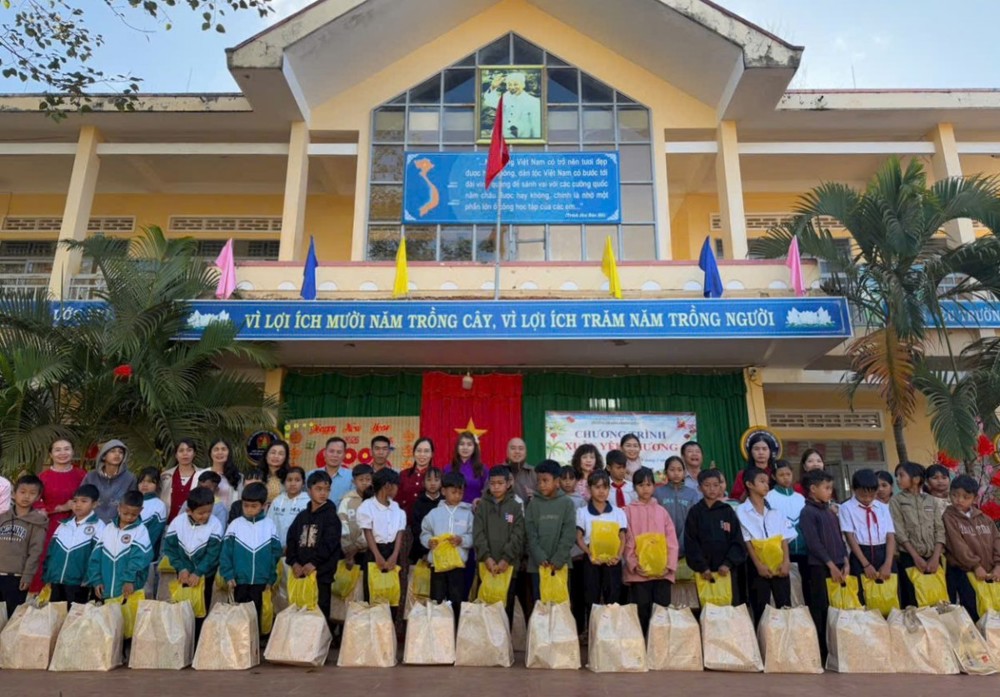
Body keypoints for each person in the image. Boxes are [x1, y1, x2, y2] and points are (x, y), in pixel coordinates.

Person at [220, 482, 283, 636]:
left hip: (261, 582)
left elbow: (275, 555)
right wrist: (228, 575)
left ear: (264, 506)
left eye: (253, 506)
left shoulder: (269, 526)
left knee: (257, 616)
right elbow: (225, 553)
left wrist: (270, 578)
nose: (249, 509)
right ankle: (238, 645)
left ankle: (253, 648)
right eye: (246, 505)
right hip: (239, 581)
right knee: (238, 616)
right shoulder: (235, 525)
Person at [800, 469, 849, 660]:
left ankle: (838, 650)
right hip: (819, 568)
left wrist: (845, 561)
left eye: (831, 488)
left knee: (838, 609)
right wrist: (830, 565)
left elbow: (839, 538)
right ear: (813, 489)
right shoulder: (807, 512)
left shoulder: (830, 512)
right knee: (821, 610)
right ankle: (822, 653)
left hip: (839, 566)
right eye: (826, 488)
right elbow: (813, 543)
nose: (830, 492)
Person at [737, 468, 796, 624]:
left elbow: (784, 537)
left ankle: (785, 643)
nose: (766, 485)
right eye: (761, 481)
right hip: (757, 565)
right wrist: (759, 566)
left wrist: (786, 562)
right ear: (749, 484)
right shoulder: (741, 510)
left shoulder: (775, 510)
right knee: (760, 608)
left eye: (767, 482)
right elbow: (747, 540)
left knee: (784, 606)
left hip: (779, 562)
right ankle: (764, 645)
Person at [624, 467, 678, 636]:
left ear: (654, 486)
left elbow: (672, 541)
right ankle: (642, 647)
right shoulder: (627, 511)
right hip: (639, 574)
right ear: (634, 487)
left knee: (661, 611)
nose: (645, 488)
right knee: (642, 610)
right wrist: (633, 564)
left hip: (662, 573)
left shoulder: (662, 512)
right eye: (640, 485)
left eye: (648, 484)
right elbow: (627, 540)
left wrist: (669, 566)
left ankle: (660, 648)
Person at [286, 470, 343, 622]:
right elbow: (291, 539)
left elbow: (330, 544)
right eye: (319, 489)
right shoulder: (302, 516)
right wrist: (294, 562)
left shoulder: (331, 517)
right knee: (300, 612)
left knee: (319, 613)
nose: (323, 493)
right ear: (309, 490)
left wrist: (314, 563)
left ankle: (320, 645)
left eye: (326, 489)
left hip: (321, 574)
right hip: (301, 573)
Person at [683, 469, 746, 604]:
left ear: (721, 487)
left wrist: (728, 563)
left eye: (715, 485)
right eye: (707, 485)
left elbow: (737, 540)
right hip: (704, 573)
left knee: (730, 608)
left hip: (727, 572)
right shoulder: (695, 512)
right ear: (700, 488)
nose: (712, 489)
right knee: (708, 611)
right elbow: (691, 543)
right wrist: (702, 567)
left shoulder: (727, 511)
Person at [943, 474, 1000, 622]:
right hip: (965, 573)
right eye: (954, 495)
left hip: (990, 573)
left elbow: (997, 540)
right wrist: (975, 566)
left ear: (975, 499)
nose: (959, 500)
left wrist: (998, 565)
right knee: (972, 611)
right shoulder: (949, 517)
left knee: (992, 611)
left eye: (965, 496)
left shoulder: (985, 519)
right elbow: (957, 545)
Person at [889, 462, 946, 609]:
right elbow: (899, 531)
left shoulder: (930, 500)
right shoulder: (896, 501)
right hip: (910, 558)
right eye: (897, 476)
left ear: (915, 479)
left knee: (937, 599)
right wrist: (915, 557)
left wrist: (935, 557)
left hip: (933, 558)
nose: (897, 479)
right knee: (914, 600)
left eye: (901, 475)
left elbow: (939, 529)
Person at [474, 465, 526, 625]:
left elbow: (518, 535)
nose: (496, 487)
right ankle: (487, 645)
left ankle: (505, 646)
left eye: (500, 483)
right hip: (486, 565)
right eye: (492, 483)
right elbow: (478, 534)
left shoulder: (516, 507)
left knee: (506, 607)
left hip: (508, 567)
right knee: (485, 605)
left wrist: (506, 559)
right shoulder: (482, 505)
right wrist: (487, 558)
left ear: (508, 484)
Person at [33, 438, 87, 591]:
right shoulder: (43, 477)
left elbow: (91, 497)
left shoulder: (82, 475)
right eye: (57, 450)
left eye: (66, 449)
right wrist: (60, 507)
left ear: (72, 452)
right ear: (50, 454)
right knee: (48, 560)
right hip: (50, 526)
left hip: (78, 526)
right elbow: (35, 502)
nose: (62, 453)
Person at [525, 460, 578, 611]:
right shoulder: (533, 504)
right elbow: (530, 533)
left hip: (560, 565)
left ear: (557, 481)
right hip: (538, 566)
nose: (541, 485)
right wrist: (540, 557)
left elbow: (569, 534)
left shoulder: (567, 503)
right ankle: (540, 635)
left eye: (545, 481)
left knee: (560, 607)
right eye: (539, 481)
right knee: (540, 606)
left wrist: (558, 558)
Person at [162, 487, 224, 616]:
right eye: (201, 513)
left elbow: (213, 554)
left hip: (205, 575)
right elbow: (170, 549)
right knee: (182, 608)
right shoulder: (177, 523)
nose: (206, 516)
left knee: (201, 608)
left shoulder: (215, 524)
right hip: (183, 574)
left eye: (209, 512)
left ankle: (199, 633)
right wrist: (182, 568)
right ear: (189, 511)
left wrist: (198, 572)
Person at [421, 471, 473, 623]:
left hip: (458, 566)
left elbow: (473, 536)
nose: (457, 496)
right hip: (437, 565)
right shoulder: (434, 513)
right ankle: (437, 631)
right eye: (453, 492)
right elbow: (424, 532)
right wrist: (428, 541)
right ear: (444, 491)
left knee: (456, 599)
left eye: (460, 492)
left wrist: (462, 540)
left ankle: (454, 630)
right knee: (437, 599)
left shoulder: (468, 513)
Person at [576, 470, 627, 622]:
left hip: (613, 560)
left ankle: (611, 633)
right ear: (589, 489)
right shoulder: (582, 512)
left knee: (613, 599)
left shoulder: (618, 512)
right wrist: (590, 554)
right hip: (592, 560)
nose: (601, 491)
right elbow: (579, 538)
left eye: (605, 487)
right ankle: (594, 634)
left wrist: (618, 556)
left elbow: (622, 538)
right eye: (597, 487)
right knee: (591, 599)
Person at [840, 468, 896, 603]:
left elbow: (890, 535)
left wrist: (888, 563)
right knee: (863, 596)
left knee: (889, 594)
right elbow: (850, 537)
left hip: (883, 552)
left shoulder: (882, 507)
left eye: (871, 495)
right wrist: (865, 564)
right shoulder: (846, 508)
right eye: (863, 495)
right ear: (854, 489)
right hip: (860, 553)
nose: (867, 499)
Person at [43, 484, 104, 605]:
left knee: (74, 620)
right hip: (57, 581)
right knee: (55, 617)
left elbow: (99, 557)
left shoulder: (99, 526)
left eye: (84, 501)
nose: (78, 504)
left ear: (95, 504)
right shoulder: (63, 525)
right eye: (75, 501)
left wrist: (93, 580)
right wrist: (48, 575)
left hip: (80, 584)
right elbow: (51, 552)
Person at [87, 490, 152, 600]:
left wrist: (129, 580)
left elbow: (139, 559)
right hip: (105, 590)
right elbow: (96, 557)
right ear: (119, 507)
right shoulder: (108, 528)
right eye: (125, 513)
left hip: (128, 590)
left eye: (134, 514)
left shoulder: (141, 531)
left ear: (141, 510)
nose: (129, 517)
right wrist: (96, 580)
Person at [357, 468, 406, 614]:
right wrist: (377, 555)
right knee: (374, 594)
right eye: (396, 486)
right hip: (374, 552)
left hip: (392, 552)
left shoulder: (397, 508)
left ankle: (389, 632)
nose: (397, 490)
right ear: (387, 486)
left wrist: (395, 555)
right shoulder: (367, 506)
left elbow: (399, 533)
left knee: (392, 594)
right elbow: (368, 532)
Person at [0, 475, 46, 615]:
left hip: (17, 577)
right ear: (14, 493)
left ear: (38, 497)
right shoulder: (2, 516)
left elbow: (35, 551)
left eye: (32, 493)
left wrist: (27, 575)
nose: (26, 496)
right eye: (22, 492)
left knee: (11, 617)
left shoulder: (38, 521)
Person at [766, 460, 807, 591]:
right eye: (781, 475)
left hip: (803, 551)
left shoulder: (800, 498)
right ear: (773, 477)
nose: (786, 478)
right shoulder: (769, 497)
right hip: (781, 553)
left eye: (788, 474)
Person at [654, 456, 700, 560]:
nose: (676, 473)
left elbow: (694, 521)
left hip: (687, 544)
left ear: (684, 472)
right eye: (672, 470)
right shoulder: (658, 492)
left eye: (679, 470)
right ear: (666, 472)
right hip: (663, 545)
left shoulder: (692, 494)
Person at [82, 439, 137, 524]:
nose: (117, 454)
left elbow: (132, 505)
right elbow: (81, 500)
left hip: (117, 525)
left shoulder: (130, 478)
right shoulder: (91, 476)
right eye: (112, 451)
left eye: (121, 452)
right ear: (103, 456)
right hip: (91, 523)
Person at [160, 439, 206, 523]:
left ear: (194, 453)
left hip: (193, 525)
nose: (185, 453)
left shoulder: (203, 475)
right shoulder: (165, 476)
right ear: (176, 455)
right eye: (181, 450)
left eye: (189, 450)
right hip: (168, 525)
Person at [266, 466, 309, 554]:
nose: (293, 483)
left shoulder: (308, 502)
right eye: (289, 480)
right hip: (275, 549)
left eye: (297, 480)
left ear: (303, 483)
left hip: (297, 551)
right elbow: (268, 524)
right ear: (284, 482)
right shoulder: (277, 500)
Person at [339, 464, 373, 571]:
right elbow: (342, 524)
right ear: (354, 482)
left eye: (368, 479)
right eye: (361, 479)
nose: (364, 482)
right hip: (348, 551)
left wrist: (357, 546)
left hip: (370, 550)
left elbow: (372, 527)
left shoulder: (375, 501)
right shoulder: (347, 500)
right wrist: (348, 549)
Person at [408, 466, 442, 565]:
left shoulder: (445, 503)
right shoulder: (418, 503)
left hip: (442, 550)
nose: (433, 483)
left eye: (436, 480)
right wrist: (425, 550)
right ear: (423, 482)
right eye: (429, 480)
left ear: (441, 483)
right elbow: (416, 529)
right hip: (420, 549)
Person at [730, 433, 777, 501]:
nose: (761, 452)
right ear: (751, 452)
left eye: (764, 449)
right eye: (756, 449)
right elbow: (736, 499)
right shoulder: (743, 474)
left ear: (770, 451)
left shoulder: (776, 472)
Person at [397, 437, 435, 516]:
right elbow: (397, 500)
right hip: (405, 523)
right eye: (419, 450)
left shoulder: (437, 476)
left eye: (426, 451)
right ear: (413, 453)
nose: (422, 454)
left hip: (429, 524)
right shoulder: (403, 474)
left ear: (432, 454)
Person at [500, 72, 541, 139]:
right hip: (504, 139)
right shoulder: (504, 97)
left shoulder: (533, 102)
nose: (512, 87)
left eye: (516, 84)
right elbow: (489, 101)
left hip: (524, 139)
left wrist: (537, 144)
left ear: (523, 85)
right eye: (509, 85)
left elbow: (536, 126)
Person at [450, 431, 486, 505]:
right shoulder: (448, 468)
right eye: (462, 444)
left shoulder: (482, 469)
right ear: (457, 447)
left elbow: (489, 492)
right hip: (452, 511)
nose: (465, 447)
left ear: (474, 448)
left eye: (469, 444)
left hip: (475, 511)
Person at [319, 437, 355, 509]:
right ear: (324, 453)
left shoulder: (352, 476)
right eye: (331, 451)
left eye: (339, 452)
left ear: (344, 455)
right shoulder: (311, 475)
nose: (335, 455)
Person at [137, 468, 166, 553]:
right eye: (141, 481)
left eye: (149, 482)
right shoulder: (131, 500)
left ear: (157, 485)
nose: (144, 484)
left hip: (145, 553)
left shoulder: (159, 505)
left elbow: (154, 534)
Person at [207, 438, 242, 509]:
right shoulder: (200, 474)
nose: (220, 452)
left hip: (230, 518)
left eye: (223, 449)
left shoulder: (238, 476)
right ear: (210, 453)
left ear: (229, 453)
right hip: (204, 517)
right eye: (216, 449)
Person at [504, 438, 536, 503]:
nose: (517, 451)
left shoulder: (534, 472)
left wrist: (536, 496)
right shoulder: (497, 471)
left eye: (521, 449)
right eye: (513, 448)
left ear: (526, 452)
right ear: (507, 452)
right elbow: (487, 497)